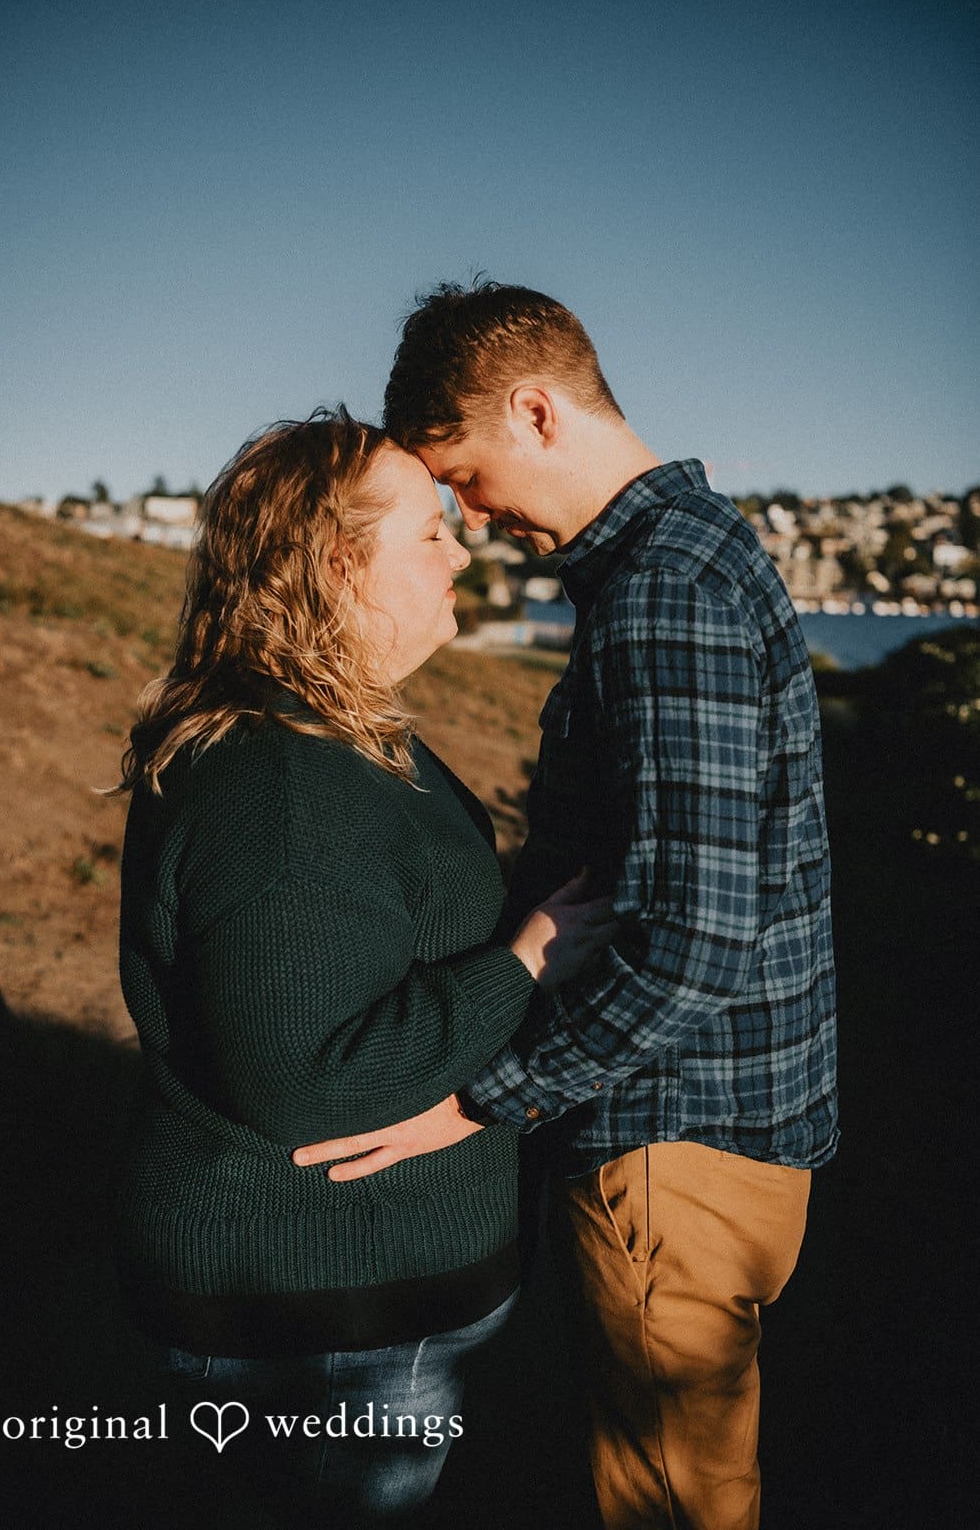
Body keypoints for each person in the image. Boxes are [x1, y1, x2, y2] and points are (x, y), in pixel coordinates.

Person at [294, 286, 839, 1530]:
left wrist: (478, 1102)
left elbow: (691, 937)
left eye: (467, 477)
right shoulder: (706, 546)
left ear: (534, 410)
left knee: (667, 1507)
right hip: (734, 1133)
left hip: (670, 1146)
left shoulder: (660, 592)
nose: (471, 521)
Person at [113, 407, 612, 1525]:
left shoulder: (340, 735)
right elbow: (307, 1077)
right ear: (337, 565)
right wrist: (526, 961)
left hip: (350, 1300)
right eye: (427, 532)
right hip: (315, 1318)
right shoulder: (281, 783)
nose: (460, 548)